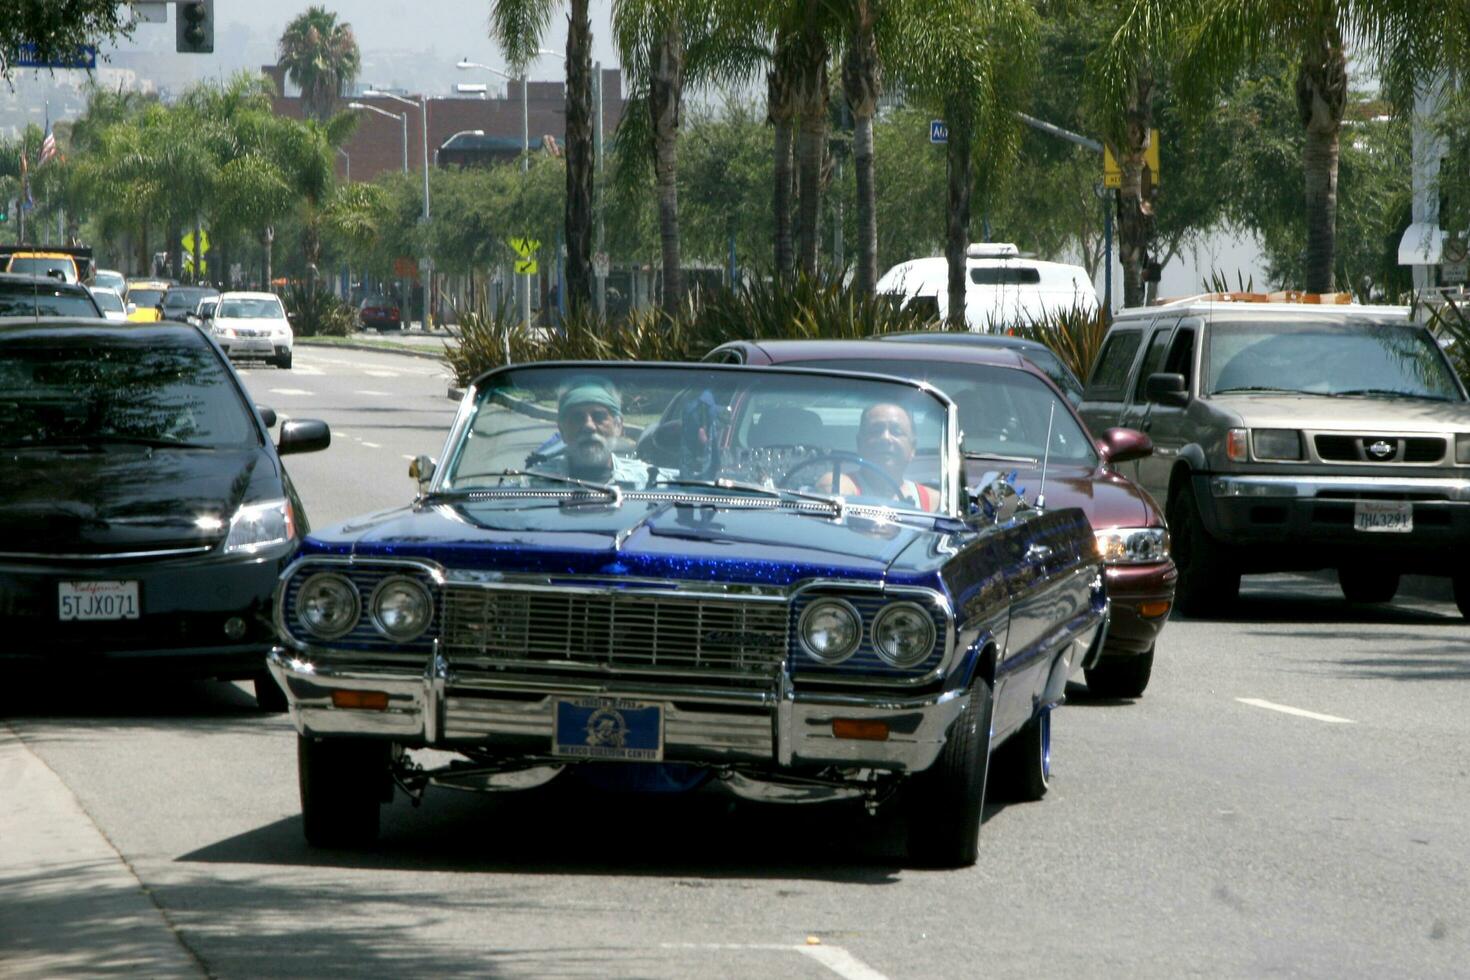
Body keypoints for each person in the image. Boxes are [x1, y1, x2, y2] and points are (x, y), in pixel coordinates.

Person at [527, 376, 658, 488]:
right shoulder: (537, 482)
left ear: (618, 426)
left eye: (599, 416)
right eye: (577, 418)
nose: (588, 426)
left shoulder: (646, 481)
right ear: (562, 430)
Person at [817, 402, 937, 510]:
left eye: (896, 431)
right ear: (859, 443)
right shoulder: (839, 483)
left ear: (913, 448)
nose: (886, 438)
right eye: (875, 431)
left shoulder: (932, 501)